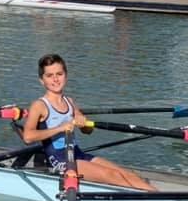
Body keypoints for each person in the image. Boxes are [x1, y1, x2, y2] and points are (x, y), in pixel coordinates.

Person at [21, 54, 156, 191]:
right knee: (113, 176)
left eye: (59, 74)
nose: (55, 79)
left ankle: (160, 197)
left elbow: (88, 131)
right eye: (49, 76)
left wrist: (83, 123)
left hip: (77, 154)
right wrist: (60, 128)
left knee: (128, 174)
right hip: (60, 160)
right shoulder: (39, 105)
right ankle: (149, 199)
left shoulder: (69, 102)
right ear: (42, 80)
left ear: (66, 76)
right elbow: (28, 137)